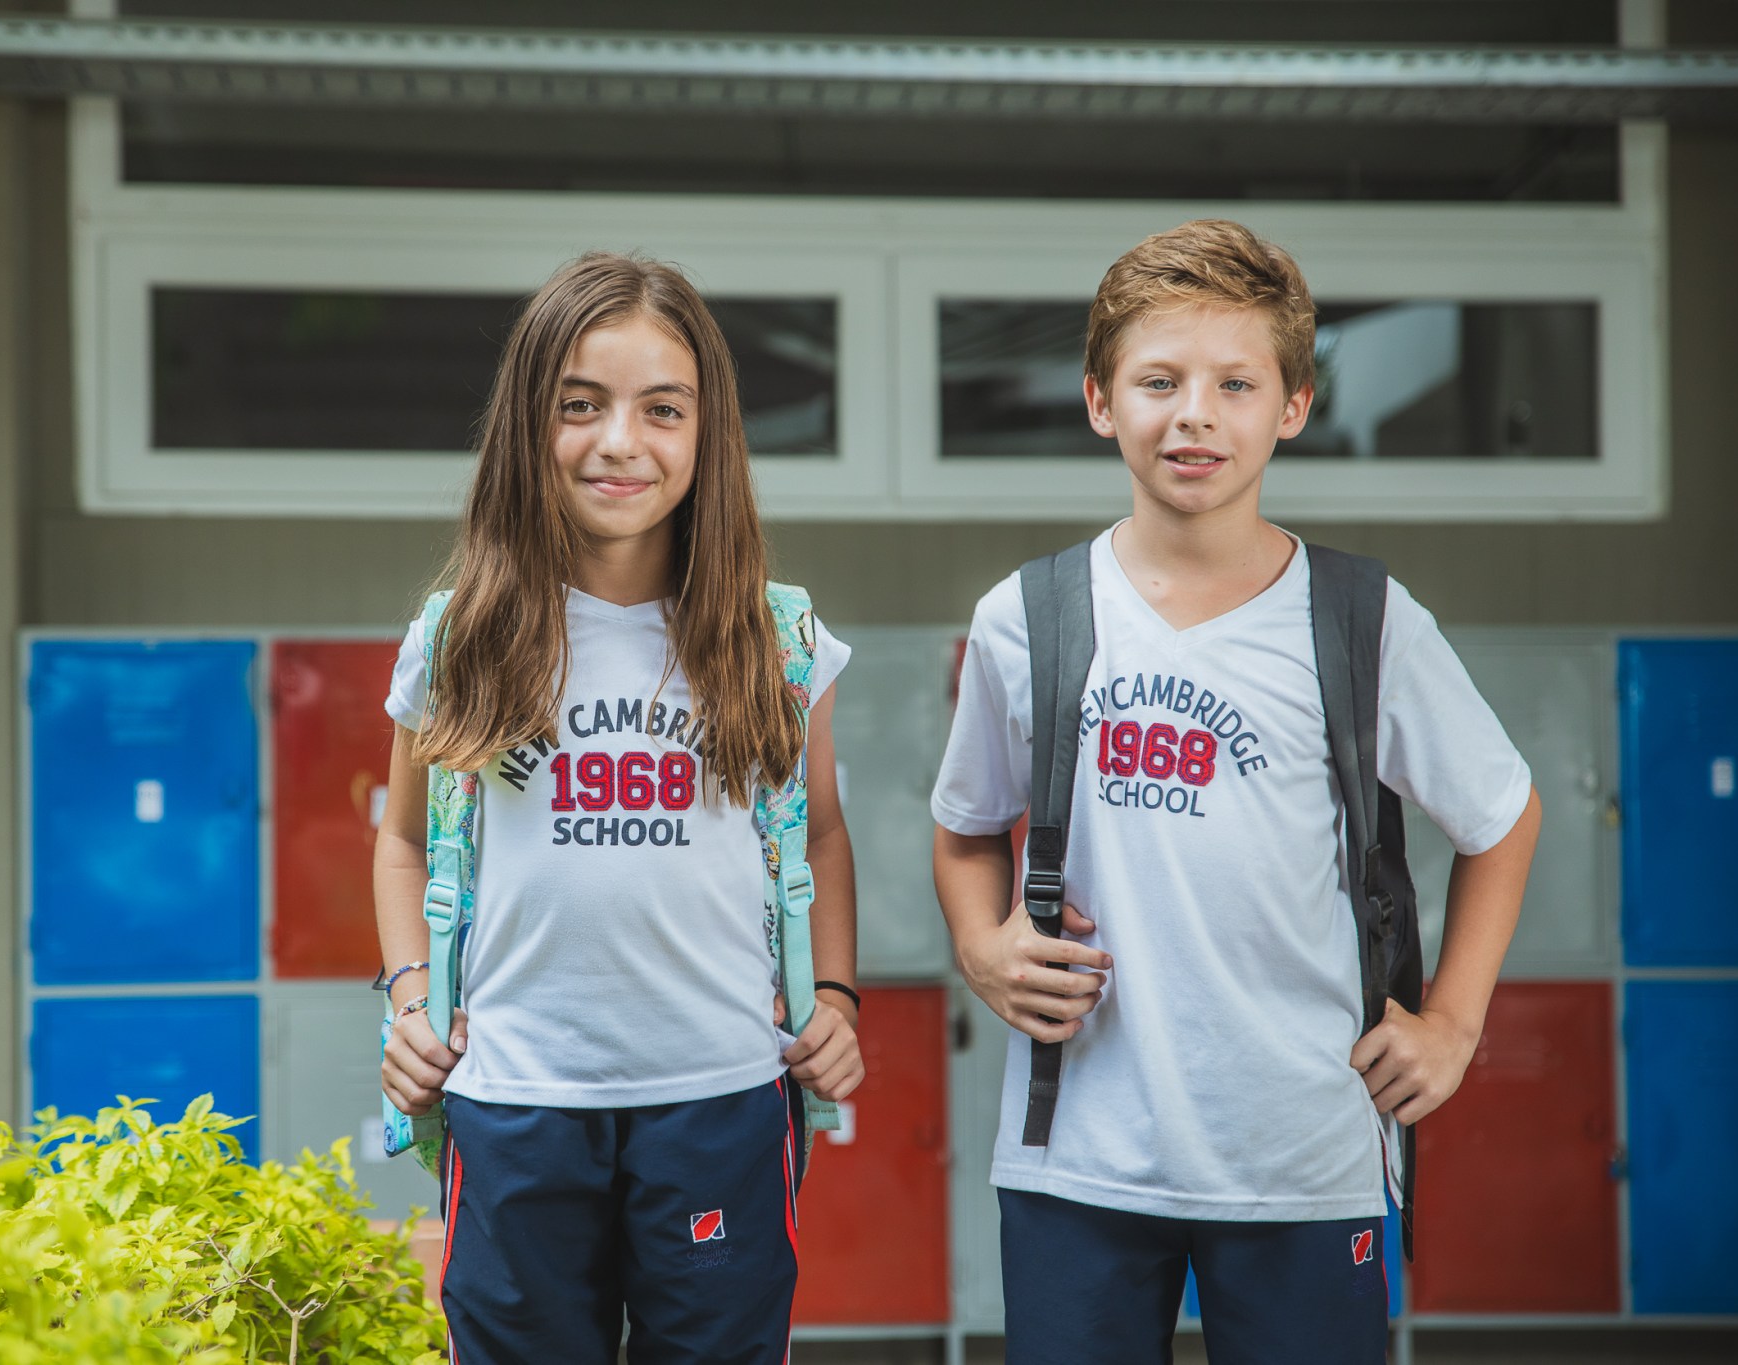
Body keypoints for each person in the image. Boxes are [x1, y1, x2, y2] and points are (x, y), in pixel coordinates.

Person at [931, 219, 1542, 1363]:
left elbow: (1501, 817)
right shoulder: (1028, 618)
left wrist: (1452, 1023)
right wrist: (981, 943)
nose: (1194, 413)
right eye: (1157, 380)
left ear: (1293, 406)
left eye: (1234, 383)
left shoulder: (1361, 622)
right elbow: (963, 825)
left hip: (1304, 1153)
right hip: (1079, 1154)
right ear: (1099, 401)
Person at [374, 252, 863, 1364]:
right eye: (579, 406)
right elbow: (402, 843)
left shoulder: (775, 640)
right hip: (511, 1103)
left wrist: (831, 995)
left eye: (661, 409)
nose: (618, 442)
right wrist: (408, 1003)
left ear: (706, 434)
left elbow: (820, 836)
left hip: (723, 1097)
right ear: (525, 426)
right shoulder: (459, 641)